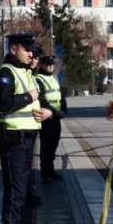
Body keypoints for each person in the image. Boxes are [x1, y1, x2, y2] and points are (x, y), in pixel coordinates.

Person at [0, 33, 52, 224]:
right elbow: (4, 103)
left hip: (27, 137)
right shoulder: (5, 72)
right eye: (27, 49)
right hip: (13, 139)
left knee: (21, 192)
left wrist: (47, 112)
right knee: (15, 193)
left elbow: (40, 103)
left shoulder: (26, 72)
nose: (31, 54)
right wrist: (30, 96)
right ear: (13, 48)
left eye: (33, 50)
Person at [34, 54, 67, 183]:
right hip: (46, 117)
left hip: (55, 117)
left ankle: (50, 170)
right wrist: (54, 112)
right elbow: (41, 99)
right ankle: (45, 173)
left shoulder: (54, 78)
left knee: (54, 144)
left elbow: (60, 96)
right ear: (41, 65)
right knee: (46, 146)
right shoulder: (39, 79)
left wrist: (64, 110)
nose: (50, 66)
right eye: (47, 64)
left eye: (52, 64)